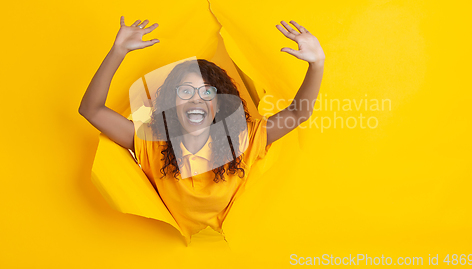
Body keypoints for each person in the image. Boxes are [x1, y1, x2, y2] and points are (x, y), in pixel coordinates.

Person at [79, 16, 325, 243]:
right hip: (168, 251)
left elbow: (297, 113)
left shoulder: (244, 140)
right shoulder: (152, 143)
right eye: (186, 91)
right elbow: (92, 110)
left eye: (207, 92)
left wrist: (317, 64)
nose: (196, 99)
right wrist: (117, 51)